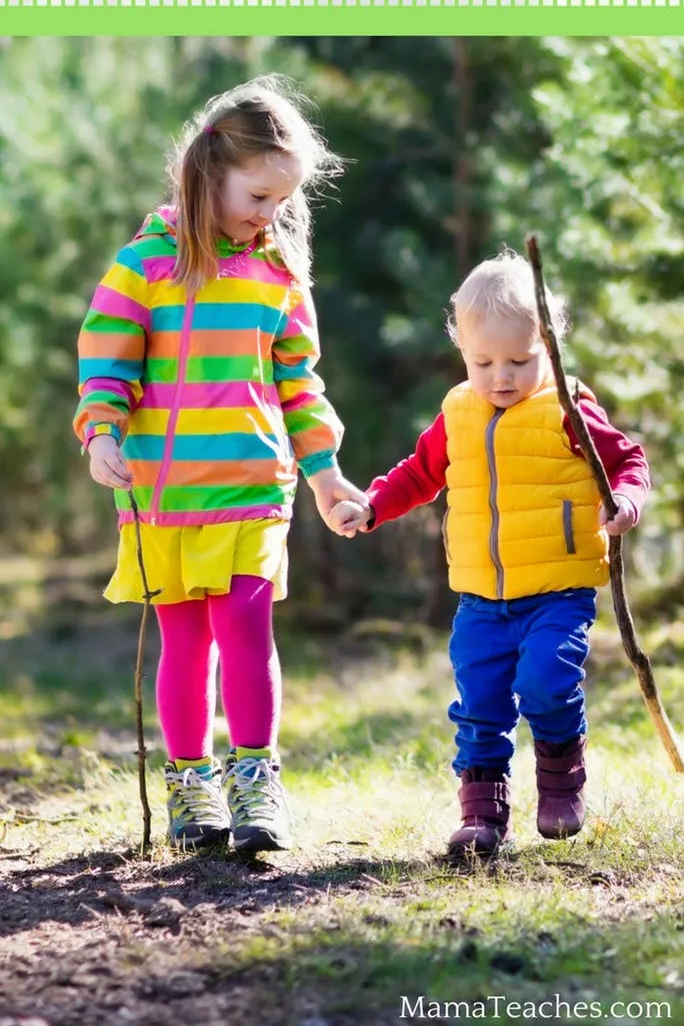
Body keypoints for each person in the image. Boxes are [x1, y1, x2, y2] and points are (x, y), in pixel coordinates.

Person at [74, 75, 367, 853]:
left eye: (280, 201)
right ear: (211, 170)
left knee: (244, 627)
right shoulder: (146, 263)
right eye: (258, 194)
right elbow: (108, 356)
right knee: (186, 642)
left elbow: (300, 384)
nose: (268, 214)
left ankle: (255, 778)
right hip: (164, 497)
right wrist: (101, 430)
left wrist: (326, 471)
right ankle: (190, 780)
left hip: (251, 487)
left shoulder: (277, 275)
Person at [328, 250, 650, 860]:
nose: (501, 376)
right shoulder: (458, 411)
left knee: (548, 683)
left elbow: (628, 461)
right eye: (483, 362)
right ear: (462, 352)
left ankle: (560, 783)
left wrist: (627, 503)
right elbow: (420, 474)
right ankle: (481, 815)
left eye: (520, 361)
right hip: (481, 596)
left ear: (548, 348)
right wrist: (372, 506)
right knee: (479, 703)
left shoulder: (568, 408)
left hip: (557, 588)